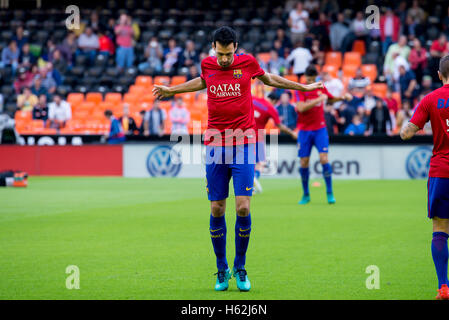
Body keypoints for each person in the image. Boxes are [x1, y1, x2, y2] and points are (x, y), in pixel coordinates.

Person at [152, 26, 323, 292]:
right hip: (216, 144)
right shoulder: (207, 65)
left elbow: (271, 80)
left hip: (244, 142)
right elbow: (201, 81)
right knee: (217, 208)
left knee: (243, 207)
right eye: (219, 54)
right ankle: (221, 268)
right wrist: (172, 90)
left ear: (236, 48)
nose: (223, 59)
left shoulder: (248, 62)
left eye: (228, 54)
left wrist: (303, 86)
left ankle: (240, 266)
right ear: (213, 48)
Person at [399, 54, 449, 300]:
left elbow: (406, 134)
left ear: (439, 75)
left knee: (440, 229)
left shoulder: (430, 99)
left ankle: (444, 287)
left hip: (441, 171)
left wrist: (404, 124)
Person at [295, 65, 352, 205]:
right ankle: (306, 194)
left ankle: (329, 192)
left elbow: (330, 99)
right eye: (309, 79)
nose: (311, 82)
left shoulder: (320, 87)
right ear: (305, 77)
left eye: (313, 79)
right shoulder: (300, 89)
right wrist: (318, 100)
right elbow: (300, 107)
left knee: (324, 158)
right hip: (304, 130)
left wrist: (342, 97)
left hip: (320, 129)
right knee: (304, 162)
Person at [252, 95, 297, 194]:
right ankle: (254, 178)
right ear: (275, 101)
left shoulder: (254, 99)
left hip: (242, 132)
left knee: (244, 160)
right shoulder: (271, 109)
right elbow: (279, 126)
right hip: (258, 135)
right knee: (261, 162)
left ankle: (249, 183)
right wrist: (292, 133)